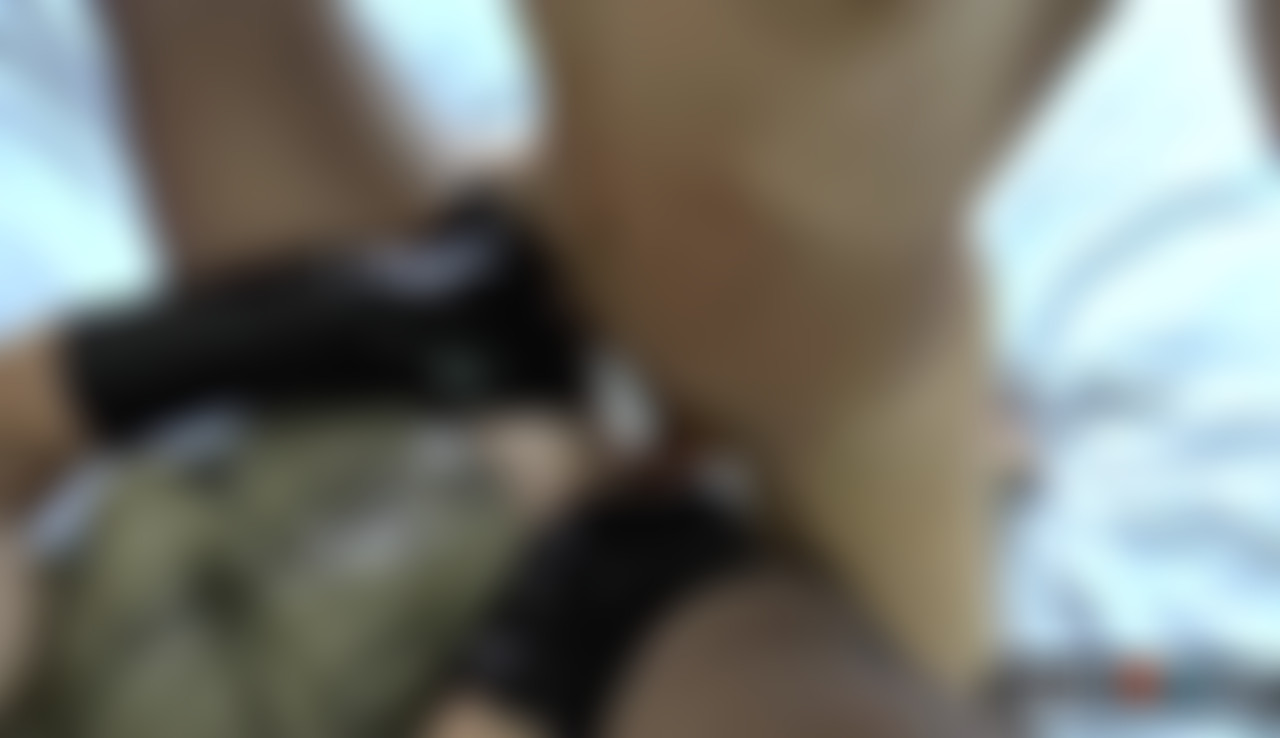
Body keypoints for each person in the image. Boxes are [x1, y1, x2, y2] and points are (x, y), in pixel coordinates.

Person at [0, 0, 1161, 735]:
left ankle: (590, 272)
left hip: (216, 546)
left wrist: (368, 323)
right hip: (461, 654)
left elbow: (20, 420)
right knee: (754, 265)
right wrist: (533, 651)